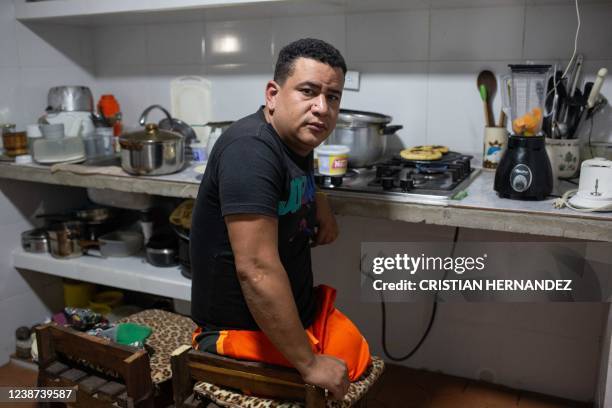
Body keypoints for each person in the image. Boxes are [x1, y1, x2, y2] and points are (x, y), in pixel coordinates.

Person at [190, 38, 371, 400]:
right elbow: (255, 269)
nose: (322, 107)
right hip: (237, 326)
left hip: (295, 311)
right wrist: (309, 364)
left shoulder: (296, 136)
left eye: (332, 97)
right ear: (273, 94)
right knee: (339, 368)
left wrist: (320, 200)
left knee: (355, 352)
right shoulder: (250, 151)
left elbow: (296, 166)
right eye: (308, 91)